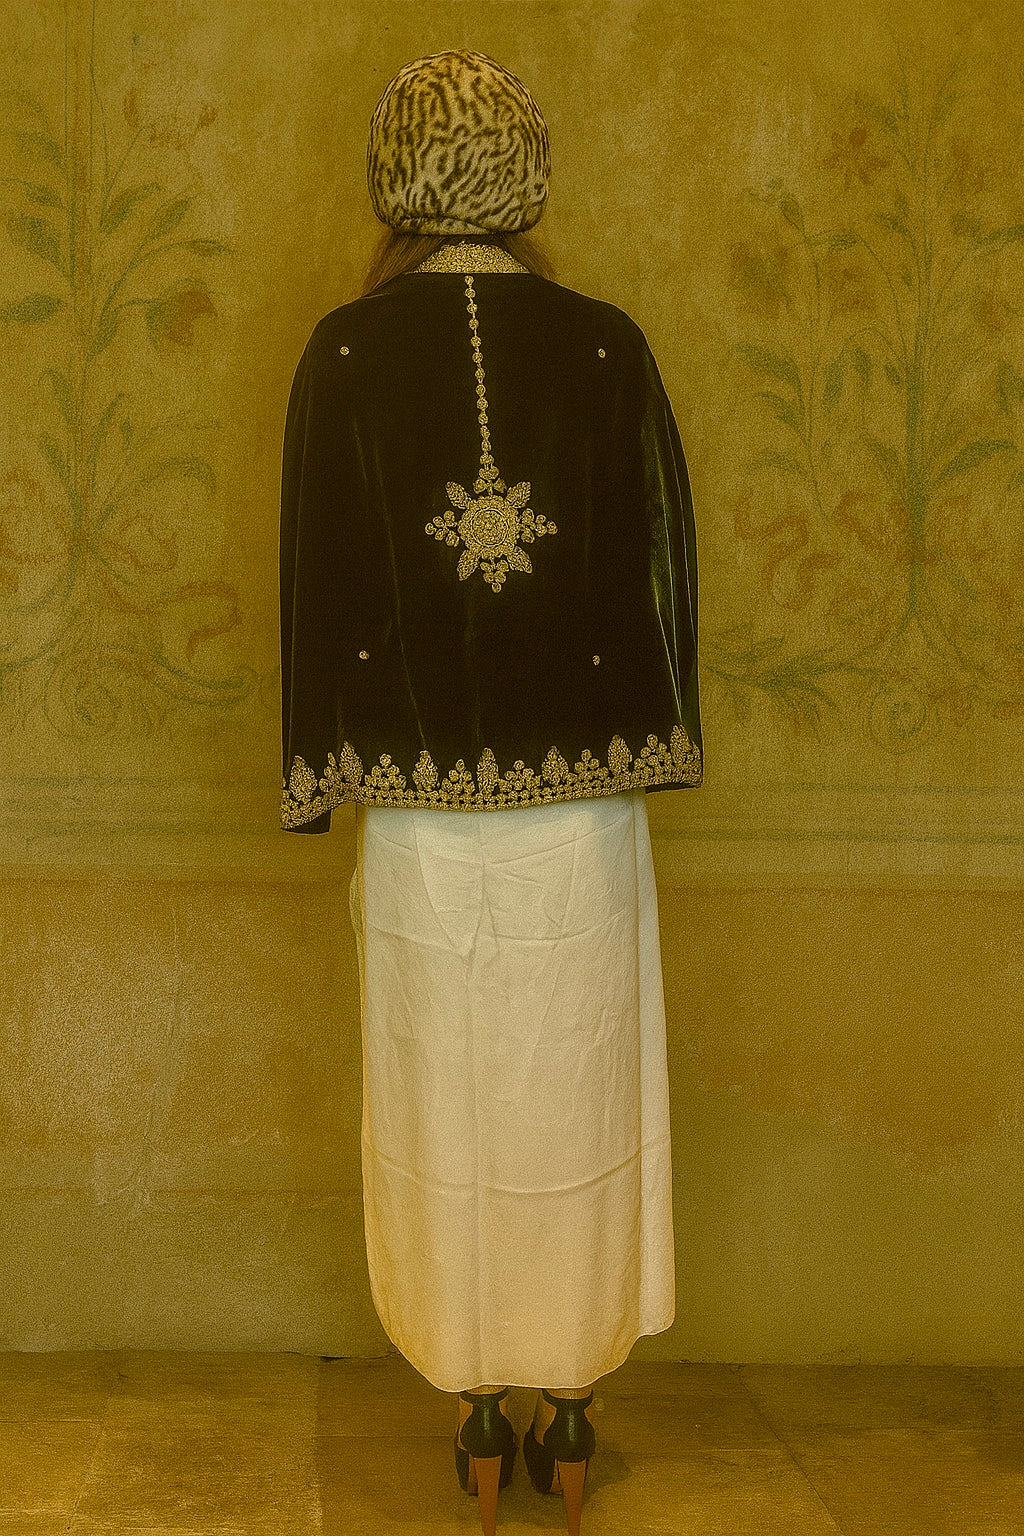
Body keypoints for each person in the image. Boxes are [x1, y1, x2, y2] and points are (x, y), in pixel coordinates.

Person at [279, 48, 702, 1536]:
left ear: (394, 171)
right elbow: (658, 569)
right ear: (525, 172)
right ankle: (569, 1406)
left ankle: (471, 1410)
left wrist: (320, 775)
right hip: (582, 820)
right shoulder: (607, 348)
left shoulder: (342, 352)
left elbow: (319, 582)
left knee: (445, 1089)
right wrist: (651, 738)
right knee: (576, 1080)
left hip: (423, 826)